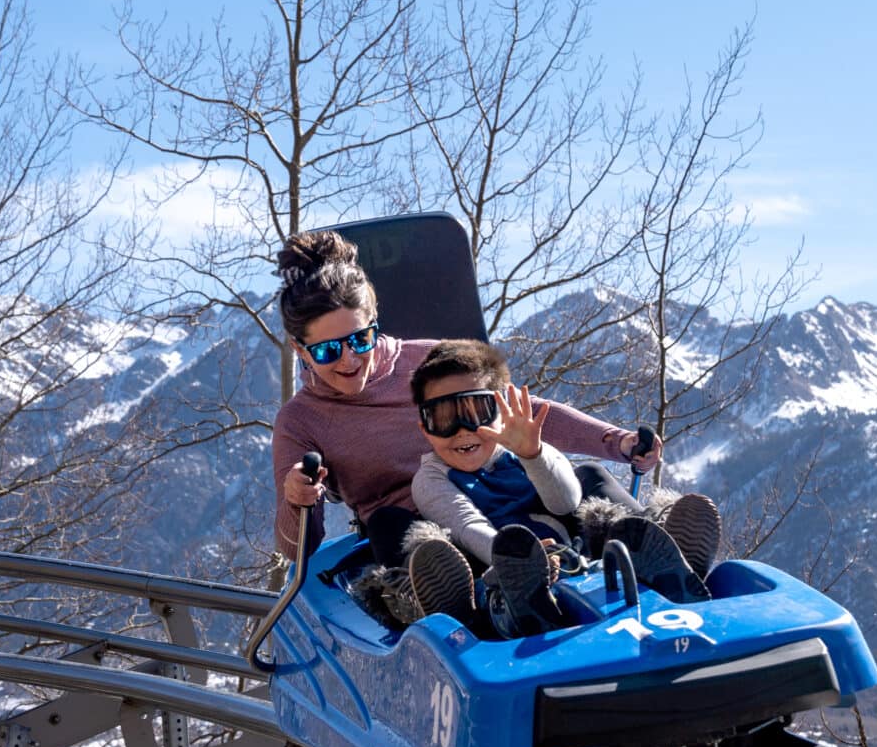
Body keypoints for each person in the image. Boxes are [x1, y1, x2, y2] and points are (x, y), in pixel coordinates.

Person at [269, 229, 673, 622]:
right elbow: (295, 547)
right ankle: (468, 605)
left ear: (374, 321)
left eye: (360, 340)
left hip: (502, 496)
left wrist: (616, 441)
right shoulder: (300, 421)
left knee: (589, 477)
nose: (349, 359)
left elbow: (520, 413)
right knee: (387, 525)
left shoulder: (429, 362)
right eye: (327, 350)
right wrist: (297, 500)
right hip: (435, 542)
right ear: (299, 348)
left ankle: (667, 559)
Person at [405, 338, 722, 636]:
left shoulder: (525, 448)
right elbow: (468, 526)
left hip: (579, 560)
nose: (462, 431)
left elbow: (567, 502)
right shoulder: (431, 479)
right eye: (443, 419)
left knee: (591, 474)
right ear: (424, 428)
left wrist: (532, 455)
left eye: (477, 413)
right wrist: (520, 558)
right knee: (453, 555)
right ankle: (516, 613)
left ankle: (667, 560)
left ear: (503, 412)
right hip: (508, 575)